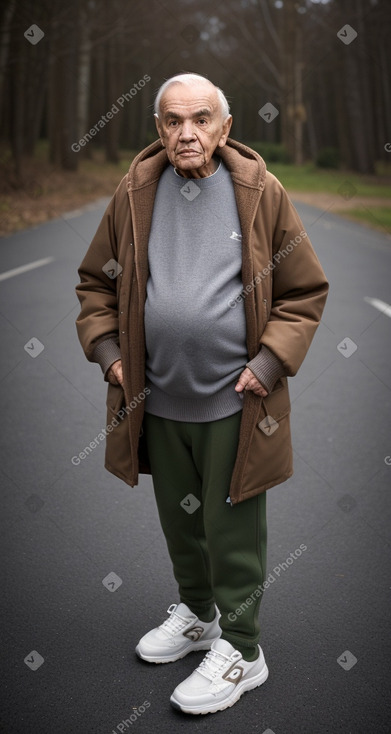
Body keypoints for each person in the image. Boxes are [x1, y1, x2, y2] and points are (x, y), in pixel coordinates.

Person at [75, 72, 328, 715]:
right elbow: (95, 285)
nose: (186, 133)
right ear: (158, 128)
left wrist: (271, 364)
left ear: (224, 126)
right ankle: (198, 615)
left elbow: (303, 291)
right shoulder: (134, 191)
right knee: (181, 524)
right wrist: (110, 358)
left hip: (235, 401)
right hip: (155, 400)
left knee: (232, 530)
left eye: (201, 118)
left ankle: (243, 650)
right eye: (172, 120)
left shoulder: (259, 191)